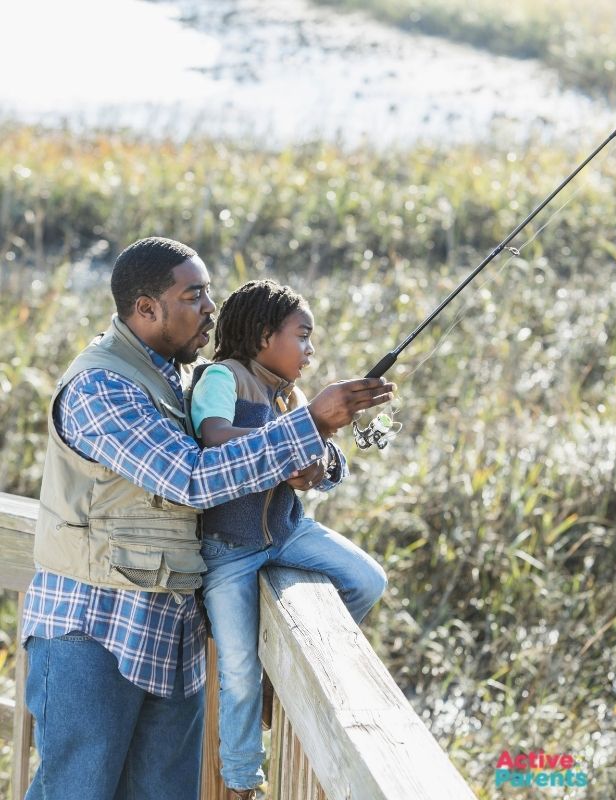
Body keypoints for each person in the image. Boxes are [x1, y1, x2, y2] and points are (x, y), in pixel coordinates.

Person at [21, 236, 395, 800]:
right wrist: (310, 423)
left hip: (170, 630)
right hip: (92, 630)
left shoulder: (179, 378)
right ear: (146, 309)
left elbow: (243, 447)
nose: (210, 309)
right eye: (193, 296)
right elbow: (193, 478)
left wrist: (316, 447)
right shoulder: (102, 385)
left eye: (208, 294)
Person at [189, 279, 387, 798]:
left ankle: (278, 686)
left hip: (287, 531)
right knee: (236, 668)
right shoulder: (221, 377)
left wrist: (318, 465)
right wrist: (290, 445)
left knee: (367, 580)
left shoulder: (292, 395)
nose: (310, 349)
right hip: (229, 551)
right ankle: (240, 780)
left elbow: (328, 460)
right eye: (302, 335)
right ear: (261, 336)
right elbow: (213, 438)